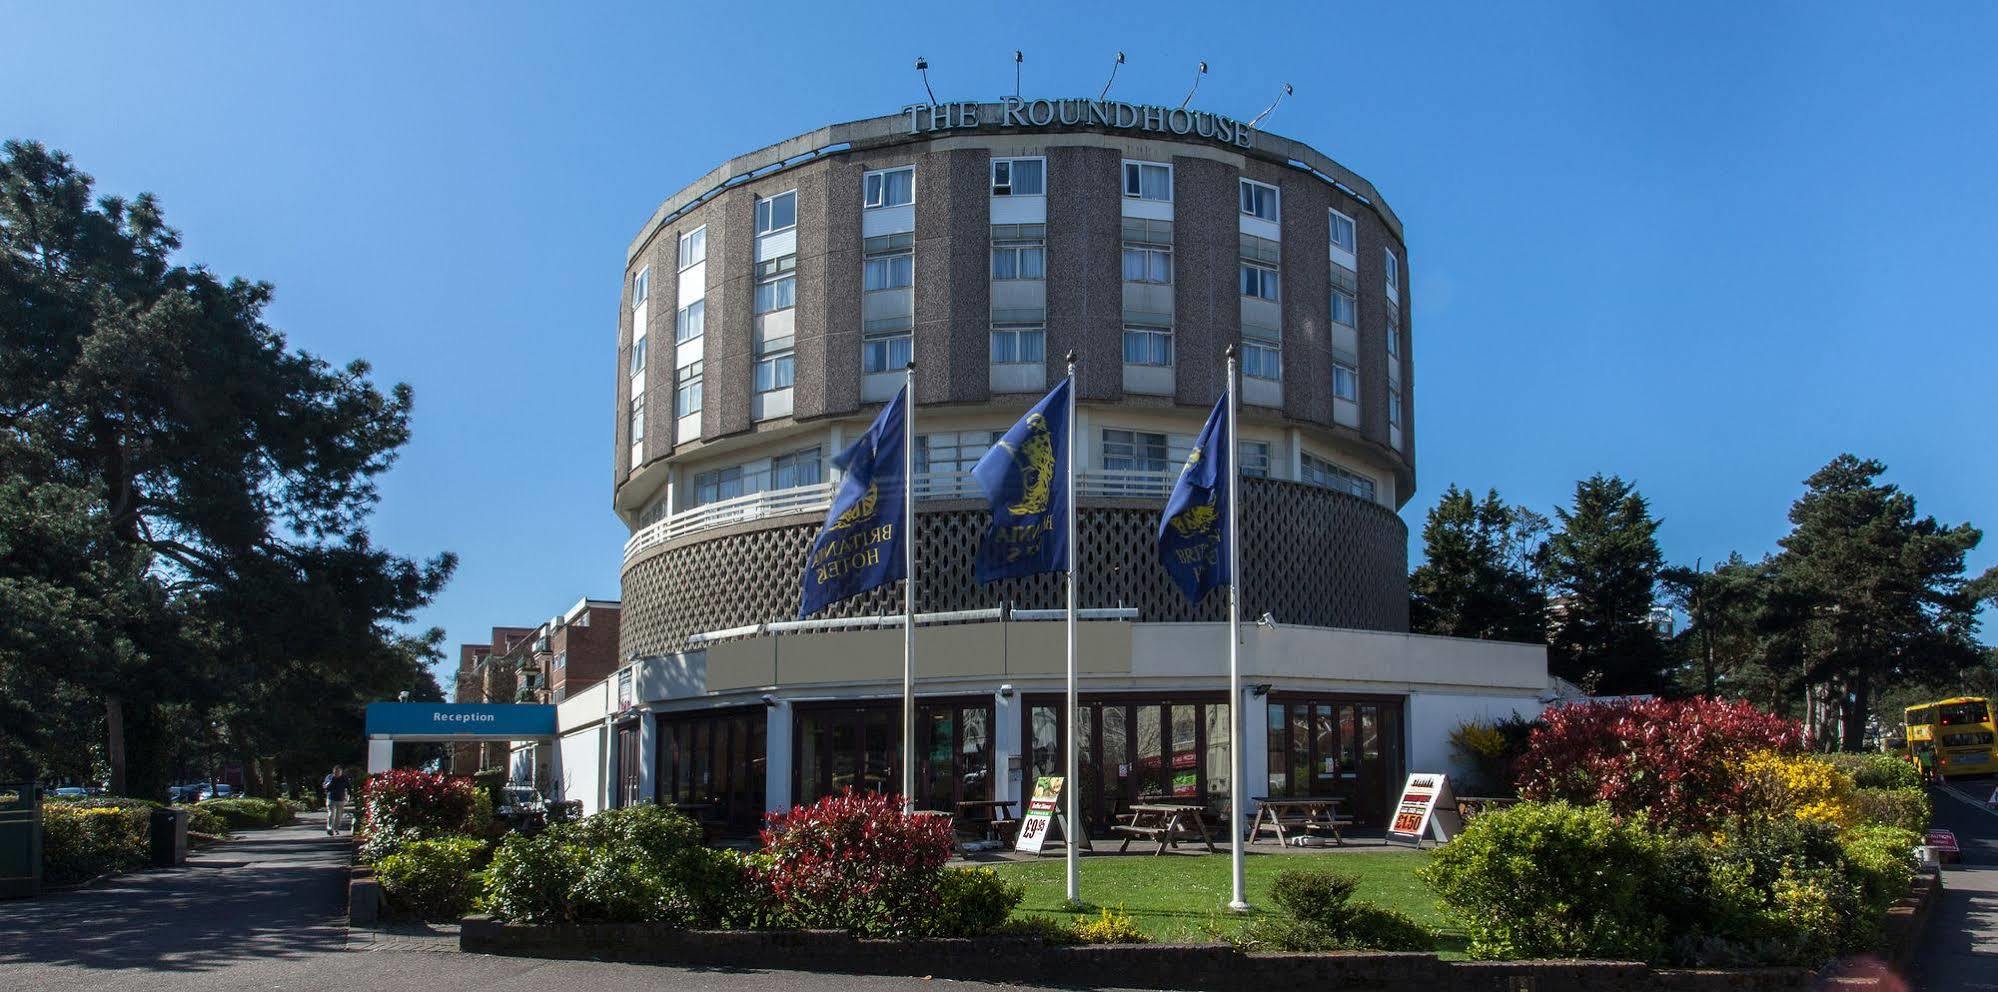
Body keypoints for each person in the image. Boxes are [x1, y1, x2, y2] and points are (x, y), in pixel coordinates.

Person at [323, 765, 352, 836]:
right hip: (331, 798)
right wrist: (332, 781)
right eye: (336, 772)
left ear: (341, 772)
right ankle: (330, 828)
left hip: (341, 799)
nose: (337, 773)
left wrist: (349, 796)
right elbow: (326, 787)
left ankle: (336, 828)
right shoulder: (330, 777)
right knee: (331, 814)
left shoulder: (344, 778)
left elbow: (348, 787)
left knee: (338, 815)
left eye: (339, 772)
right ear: (334, 772)